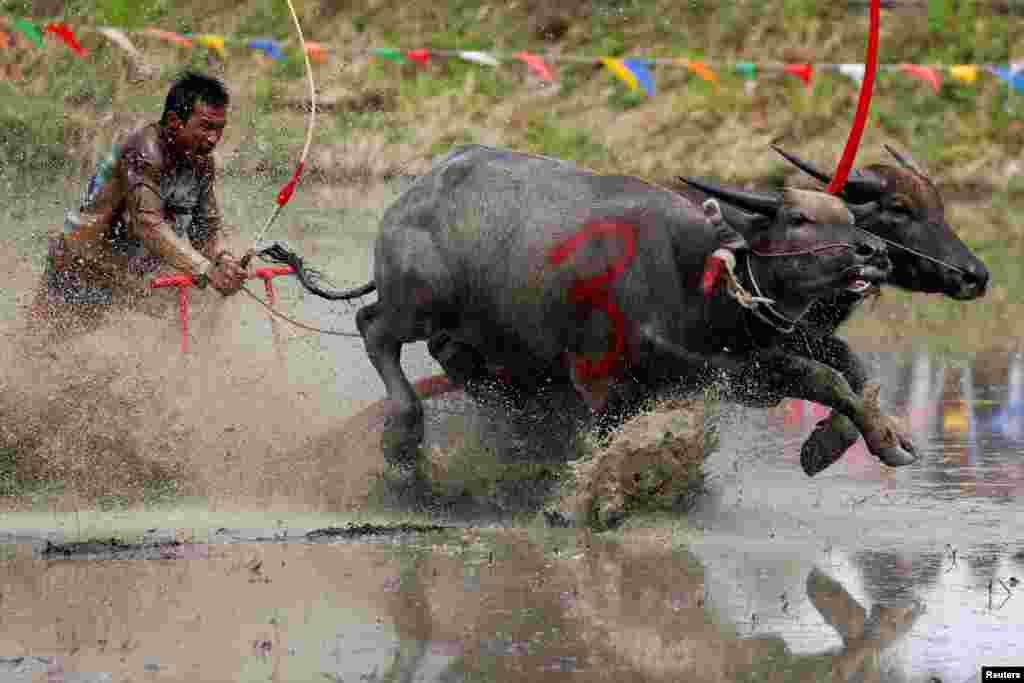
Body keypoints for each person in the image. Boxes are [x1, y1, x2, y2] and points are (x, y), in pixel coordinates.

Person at [31, 70, 247, 335]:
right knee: (42, 351)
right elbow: (147, 224)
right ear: (174, 121)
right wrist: (205, 269)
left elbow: (205, 232)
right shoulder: (143, 151)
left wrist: (223, 260)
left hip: (125, 281)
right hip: (78, 269)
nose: (214, 138)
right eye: (205, 127)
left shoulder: (201, 162)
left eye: (219, 129)